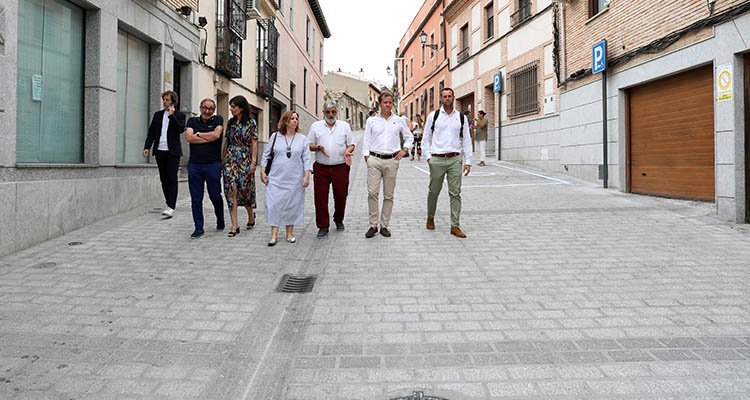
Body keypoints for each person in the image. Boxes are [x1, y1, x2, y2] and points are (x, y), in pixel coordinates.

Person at [361, 90, 413, 238]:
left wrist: (404, 150)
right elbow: (366, 140)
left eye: (390, 102)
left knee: (388, 195)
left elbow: (409, 137)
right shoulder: (372, 121)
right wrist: (367, 158)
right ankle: (373, 225)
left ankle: (384, 225)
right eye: (385, 102)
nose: (388, 105)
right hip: (374, 160)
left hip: (392, 160)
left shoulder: (399, 120)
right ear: (380, 104)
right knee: (372, 193)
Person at [422, 88, 473, 238]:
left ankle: (455, 225)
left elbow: (466, 140)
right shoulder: (434, 116)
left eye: (449, 96)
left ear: (453, 98)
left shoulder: (461, 118)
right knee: (433, 191)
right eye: (444, 96)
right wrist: (428, 157)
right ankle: (430, 217)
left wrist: (468, 160)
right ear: (441, 99)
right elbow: (426, 138)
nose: (447, 99)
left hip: (455, 159)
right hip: (437, 159)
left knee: (455, 193)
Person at [260, 111, 311, 246]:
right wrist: (262, 172)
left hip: (294, 179)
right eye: (292, 118)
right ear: (285, 121)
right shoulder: (275, 136)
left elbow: (306, 159)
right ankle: (274, 234)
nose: (295, 121)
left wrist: (306, 177)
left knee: (292, 206)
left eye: (296, 118)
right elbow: (266, 155)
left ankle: (289, 233)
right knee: (273, 205)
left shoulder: (302, 139)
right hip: (276, 178)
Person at [308, 100, 355, 238]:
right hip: (321, 167)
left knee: (341, 196)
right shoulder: (316, 126)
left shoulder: (344, 126)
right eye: (327, 112)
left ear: (336, 112)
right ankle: (323, 226)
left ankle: (338, 218)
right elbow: (309, 144)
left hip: (340, 167)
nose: (330, 114)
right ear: (323, 112)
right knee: (320, 198)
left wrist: (348, 151)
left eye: (333, 111)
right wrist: (318, 148)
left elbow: (352, 143)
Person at [184, 99, 225, 238]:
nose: (207, 111)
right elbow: (189, 137)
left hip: (213, 164)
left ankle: (220, 219)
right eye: (204, 108)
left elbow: (216, 135)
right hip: (194, 165)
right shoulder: (192, 121)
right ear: (200, 108)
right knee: (196, 198)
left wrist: (199, 135)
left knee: (215, 196)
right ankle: (198, 227)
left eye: (210, 108)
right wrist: (208, 136)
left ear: (213, 110)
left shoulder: (218, 119)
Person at [143, 91, 186, 218]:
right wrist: (147, 147)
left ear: (173, 101)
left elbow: (180, 129)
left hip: (173, 152)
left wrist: (172, 116)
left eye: (167, 99)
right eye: (164, 99)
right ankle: (169, 203)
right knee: (164, 179)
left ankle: (171, 206)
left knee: (172, 178)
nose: (165, 102)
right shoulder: (158, 115)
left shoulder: (179, 115)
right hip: (160, 151)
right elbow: (151, 132)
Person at [222, 95, 259, 237]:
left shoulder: (251, 122)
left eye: (233, 106)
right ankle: (234, 225)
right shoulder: (230, 122)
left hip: (245, 158)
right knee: (231, 189)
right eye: (230, 106)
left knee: (245, 189)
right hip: (231, 158)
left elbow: (254, 142)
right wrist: (223, 160)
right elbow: (226, 141)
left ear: (241, 108)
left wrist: (253, 162)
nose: (231, 109)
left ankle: (251, 215)